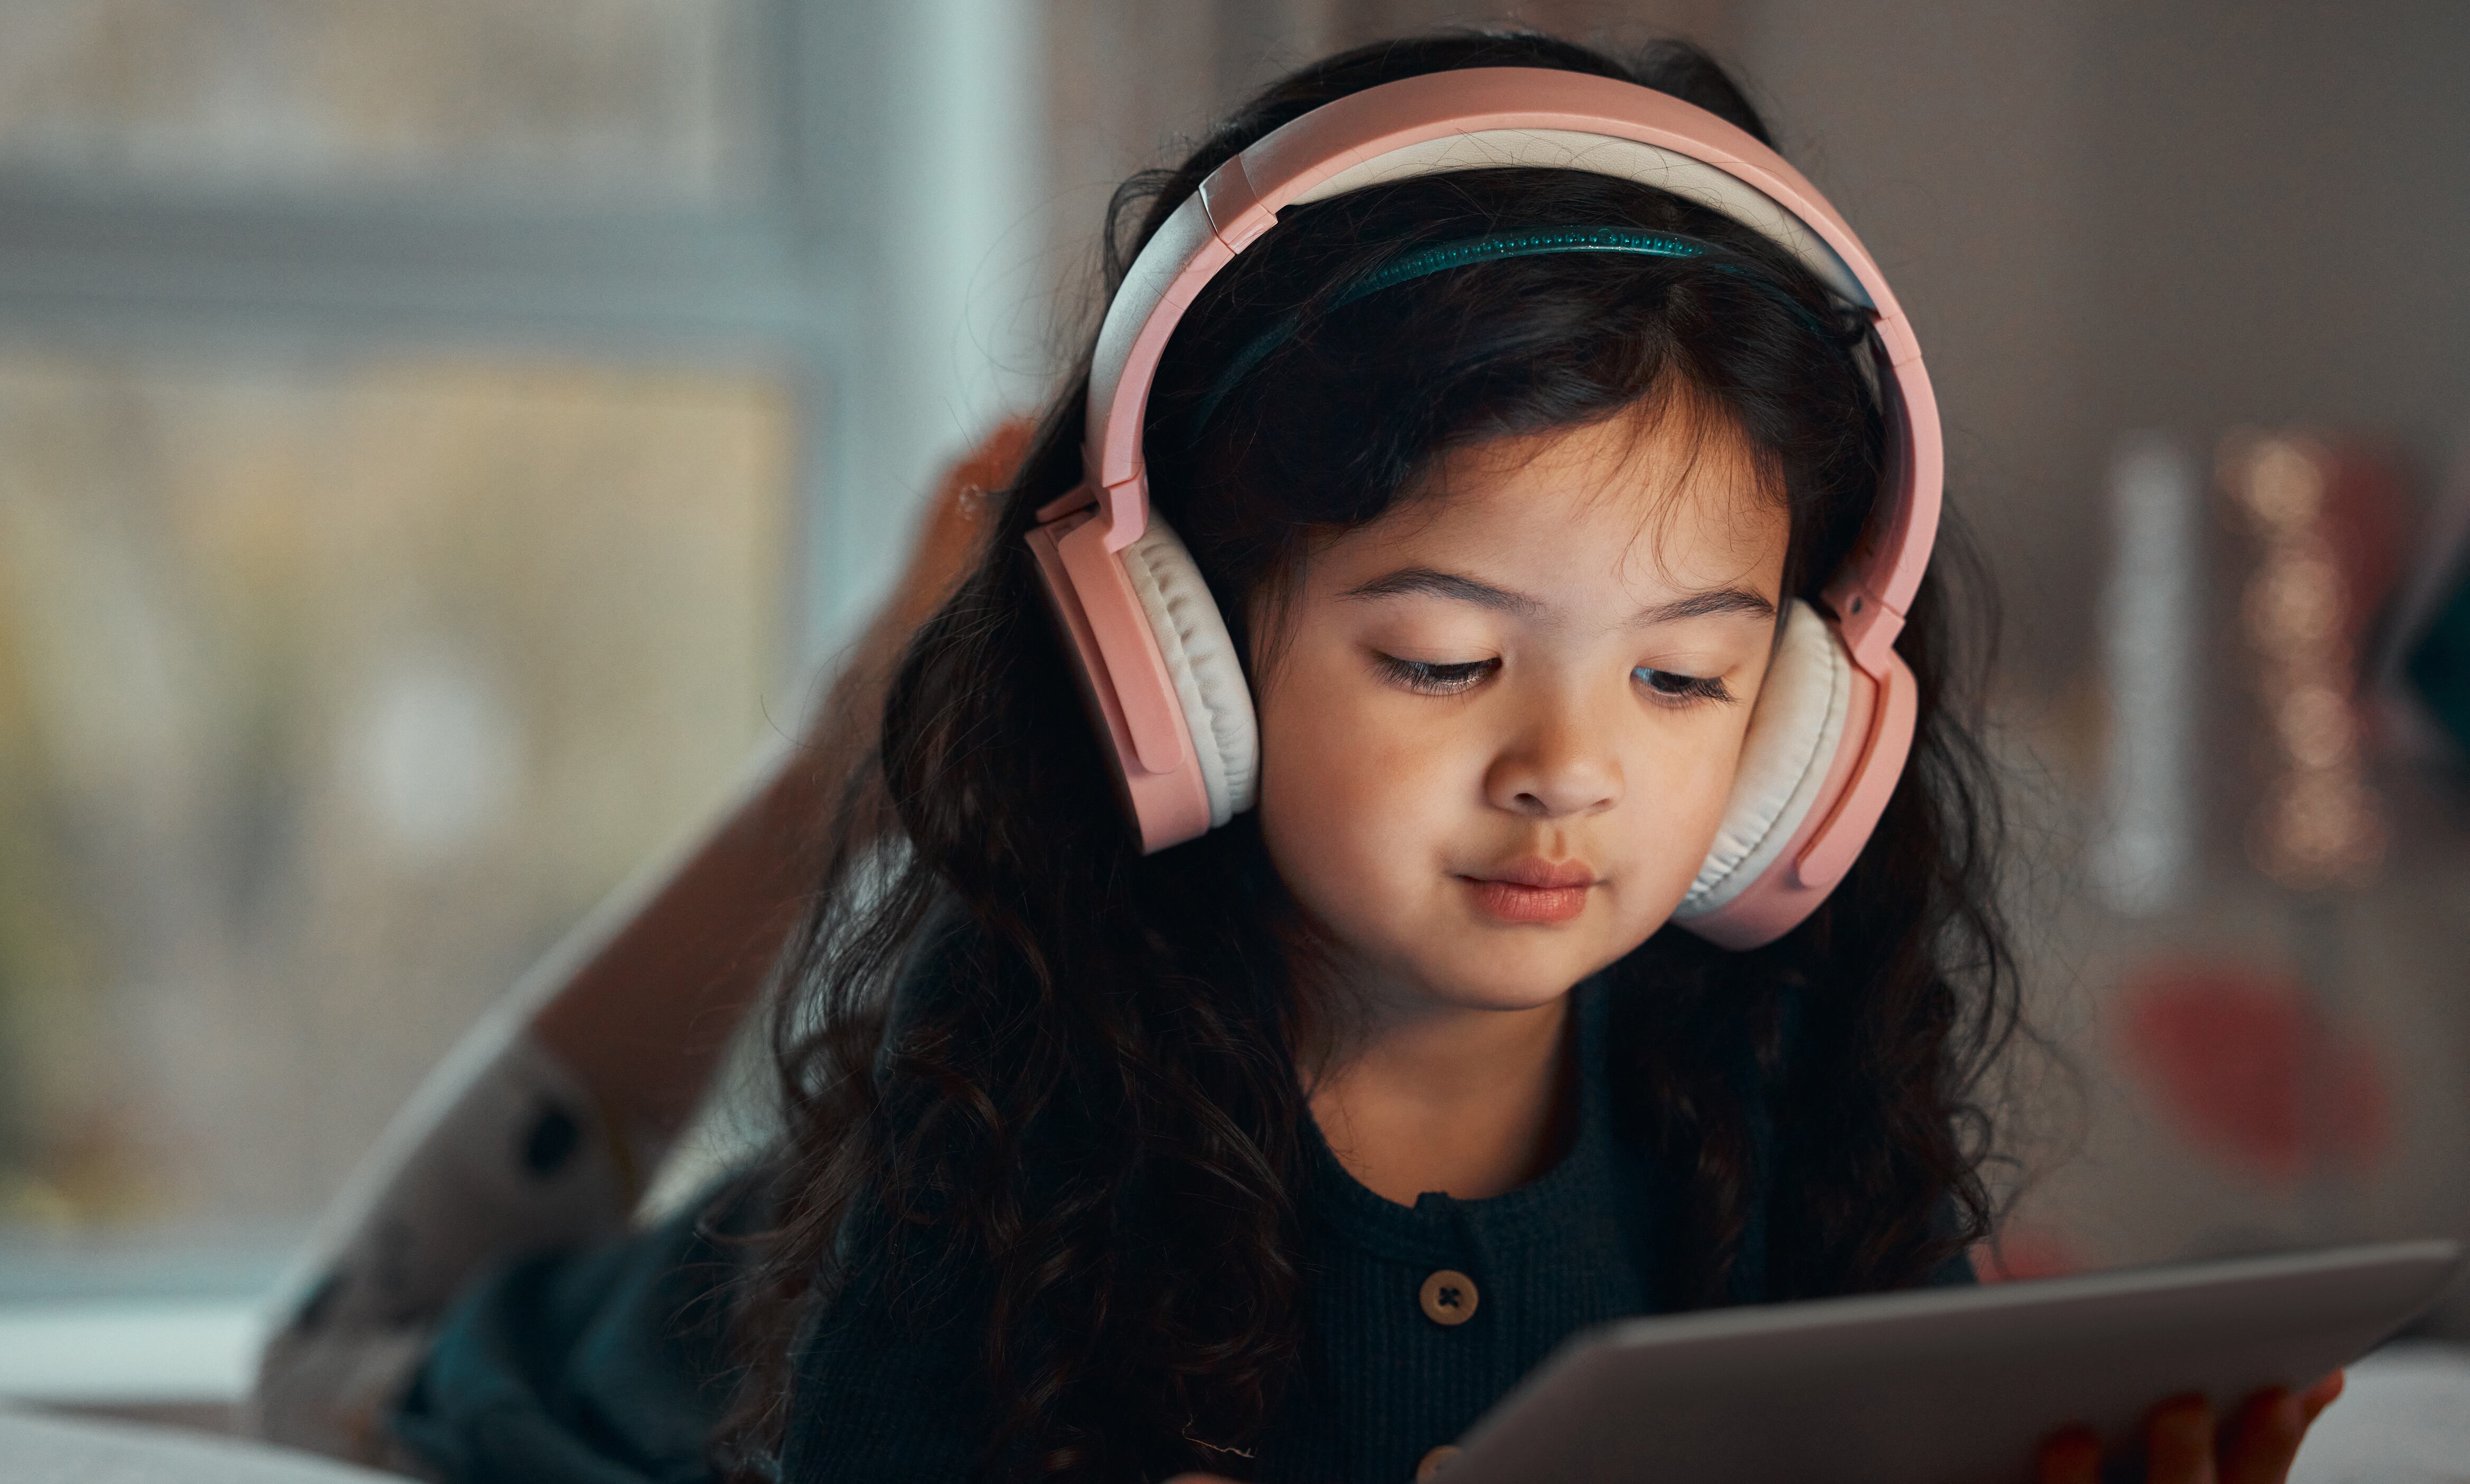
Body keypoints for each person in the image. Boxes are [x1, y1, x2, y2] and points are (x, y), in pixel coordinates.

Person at [253, 27, 2343, 1484]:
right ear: (1190, 663)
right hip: (578, 1364)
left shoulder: (1776, 1052)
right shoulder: (1015, 1042)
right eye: (1441, 660)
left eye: (1687, 684)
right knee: (325, 1357)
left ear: (1809, 721)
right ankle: (833, 754)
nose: (1565, 768)